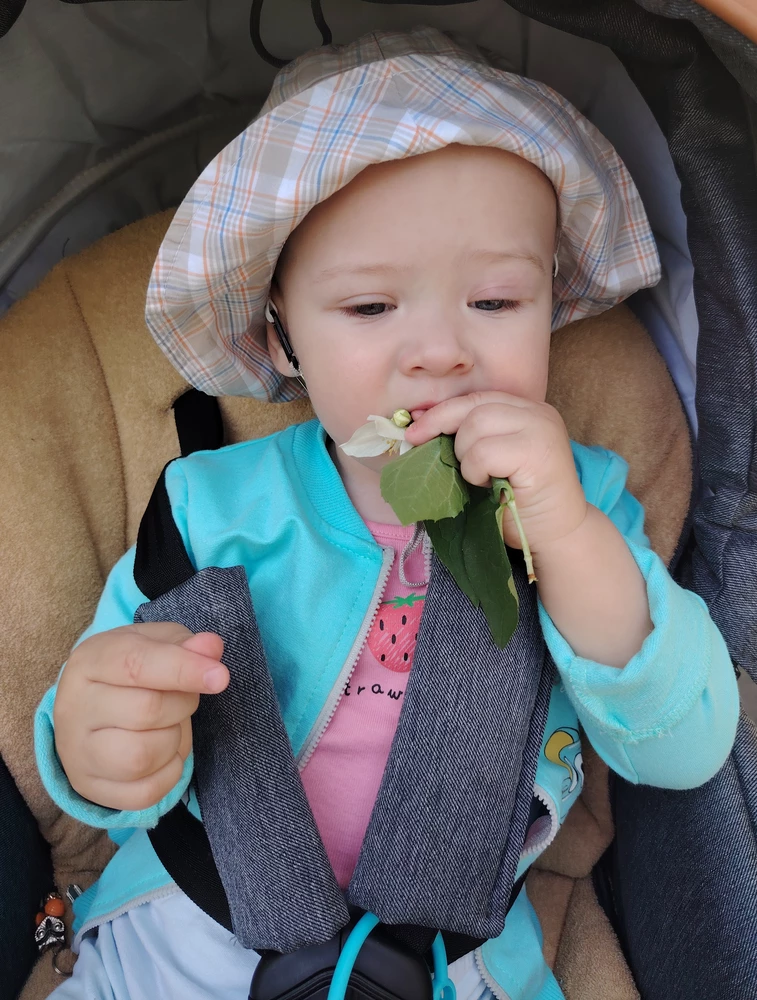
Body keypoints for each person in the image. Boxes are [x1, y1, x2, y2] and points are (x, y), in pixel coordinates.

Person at [35, 26, 739, 1000]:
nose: (439, 351)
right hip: (188, 927)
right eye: (369, 309)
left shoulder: (578, 499)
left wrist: (568, 535)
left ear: (551, 308)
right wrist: (95, 735)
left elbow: (683, 742)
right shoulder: (216, 506)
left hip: (455, 956)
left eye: (495, 300)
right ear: (281, 336)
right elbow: (107, 744)